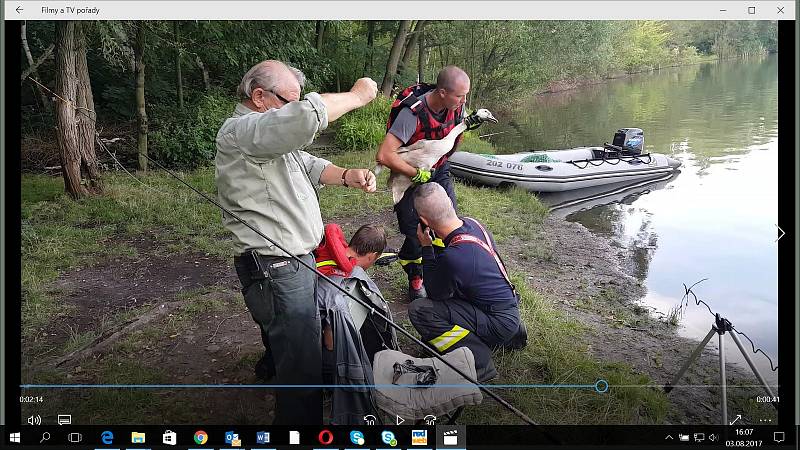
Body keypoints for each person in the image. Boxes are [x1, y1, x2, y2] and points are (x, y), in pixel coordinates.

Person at [215, 59, 378, 425]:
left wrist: (347, 174)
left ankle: (276, 367)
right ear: (259, 97)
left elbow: (306, 163)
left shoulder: (267, 138)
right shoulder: (243, 131)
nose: (295, 105)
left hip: (291, 262)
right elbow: (307, 117)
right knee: (302, 367)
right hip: (276, 267)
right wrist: (357, 95)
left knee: (291, 343)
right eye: (290, 100)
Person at [408, 183, 528, 382]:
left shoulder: (454, 257)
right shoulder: (473, 224)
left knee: (420, 310)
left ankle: (479, 360)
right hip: (505, 306)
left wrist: (427, 248)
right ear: (450, 203)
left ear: (423, 221)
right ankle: (510, 334)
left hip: (498, 320)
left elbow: (436, 294)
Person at [376, 66, 470, 301]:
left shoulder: (456, 109)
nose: (464, 100)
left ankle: (445, 275)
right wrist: (416, 174)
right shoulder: (412, 114)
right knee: (413, 229)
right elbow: (385, 155)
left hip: (437, 169)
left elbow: (454, 140)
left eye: (465, 94)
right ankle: (415, 276)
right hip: (409, 174)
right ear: (441, 93)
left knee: (448, 221)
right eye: (459, 95)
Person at [314, 223, 398, 424]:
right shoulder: (341, 284)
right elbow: (331, 343)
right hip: (312, 346)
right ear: (372, 256)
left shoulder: (330, 254)